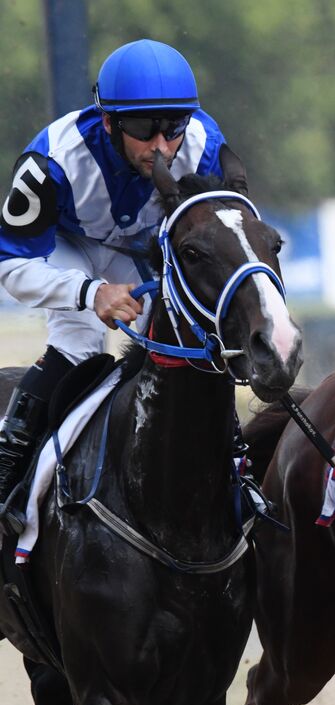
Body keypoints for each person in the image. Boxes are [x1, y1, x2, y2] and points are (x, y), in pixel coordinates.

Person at [0, 39, 232, 535]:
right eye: (145, 129)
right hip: (68, 247)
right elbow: (9, 264)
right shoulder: (51, 162)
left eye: (173, 127)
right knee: (80, 344)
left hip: (141, 248)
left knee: (187, 346)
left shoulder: (206, 144)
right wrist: (89, 292)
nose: (162, 146)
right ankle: (7, 474)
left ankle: (235, 465)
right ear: (108, 122)